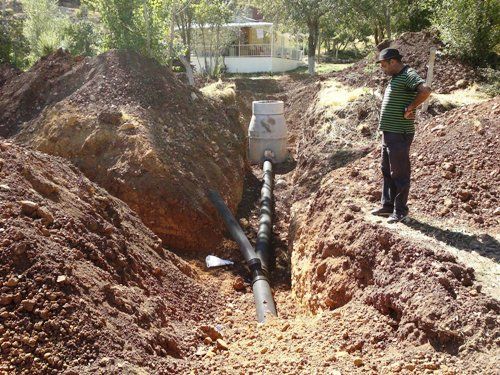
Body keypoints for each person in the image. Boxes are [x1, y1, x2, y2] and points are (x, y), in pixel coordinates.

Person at [371, 48, 431, 223]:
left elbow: (425, 90)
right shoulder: (397, 77)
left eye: (384, 65)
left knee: (399, 172)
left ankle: (400, 211)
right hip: (390, 132)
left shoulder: (408, 74)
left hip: (400, 133)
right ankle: (387, 206)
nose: (382, 68)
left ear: (393, 61)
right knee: (387, 170)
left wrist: (411, 107)